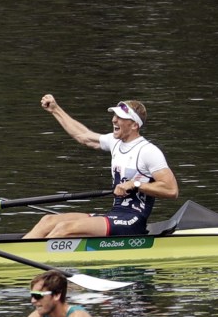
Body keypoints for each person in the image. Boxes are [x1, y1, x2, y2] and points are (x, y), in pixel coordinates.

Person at [24, 95, 179, 239]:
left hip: (132, 220)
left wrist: (135, 184)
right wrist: (56, 110)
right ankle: (14, 254)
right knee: (48, 221)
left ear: (134, 125)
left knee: (65, 228)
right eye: (114, 116)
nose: (114, 120)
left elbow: (171, 190)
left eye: (120, 117)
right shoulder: (115, 141)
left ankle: (28, 259)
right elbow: (83, 136)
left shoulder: (149, 151)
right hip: (114, 215)